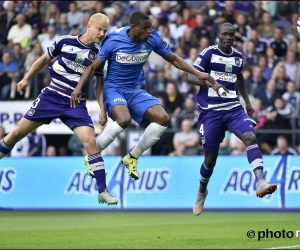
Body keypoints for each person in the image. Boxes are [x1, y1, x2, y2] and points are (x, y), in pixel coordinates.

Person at [70, 11, 222, 181]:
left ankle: (132, 157)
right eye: (145, 28)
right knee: (124, 120)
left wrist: (197, 72)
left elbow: (173, 59)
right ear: (133, 28)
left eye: (150, 27)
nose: (149, 31)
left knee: (163, 119)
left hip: (135, 90)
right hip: (114, 89)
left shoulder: (152, 39)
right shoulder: (113, 40)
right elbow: (92, 68)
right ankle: (93, 155)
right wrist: (78, 88)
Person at [0, 13, 117, 205]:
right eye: (99, 29)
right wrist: (26, 78)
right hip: (52, 96)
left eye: (105, 30)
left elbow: (98, 86)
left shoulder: (99, 54)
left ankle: (102, 190)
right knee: (16, 133)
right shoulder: (65, 41)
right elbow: (43, 59)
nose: (102, 33)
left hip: (75, 103)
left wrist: (102, 110)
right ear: (89, 26)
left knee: (90, 141)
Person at [187, 22, 277, 216]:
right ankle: (202, 190)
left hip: (234, 109)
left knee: (250, 138)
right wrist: (213, 83)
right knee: (210, 159)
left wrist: (247, 101)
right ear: (218, 36)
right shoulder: (208, 54)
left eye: (232, 35)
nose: (229, 38)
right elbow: (189, 76)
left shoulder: (237, 57)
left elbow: (240, 77)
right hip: (210, 112)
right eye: (225, 34)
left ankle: (261, 181)